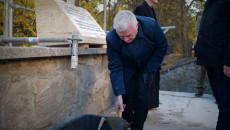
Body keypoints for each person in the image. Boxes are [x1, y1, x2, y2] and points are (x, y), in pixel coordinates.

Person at [106, 10, 167, 130]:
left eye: (129, 35)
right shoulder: (111, 38)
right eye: (121, 36)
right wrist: (118, 96)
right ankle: (127, 119)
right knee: (125, 91)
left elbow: (162, 47)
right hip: (127, 65)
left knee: (142, 96)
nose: (126, 40)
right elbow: (115, 67)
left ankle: (137, 126)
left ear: (137, 26)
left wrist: (150, 69)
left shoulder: (151, 26)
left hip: (147, 64)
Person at [195, 0, 230, 129]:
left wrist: (228, 60)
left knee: (226, 106)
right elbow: (207, 25)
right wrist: (199, 50)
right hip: (210, 58)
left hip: (222, 61)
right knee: (221, 102)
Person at [134, 0, 160, 109]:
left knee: (154, 77)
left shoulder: (152, 10)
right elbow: (138, 31)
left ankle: (151, 103)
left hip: (152, 51)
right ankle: (145, 104)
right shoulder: (140, 9)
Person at [193, 12, 207, 97]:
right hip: (202, 46)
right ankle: (200, 88)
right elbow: (197, 32)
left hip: (214, 46)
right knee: (201, 69)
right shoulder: (200, 17)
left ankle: (217, 92)